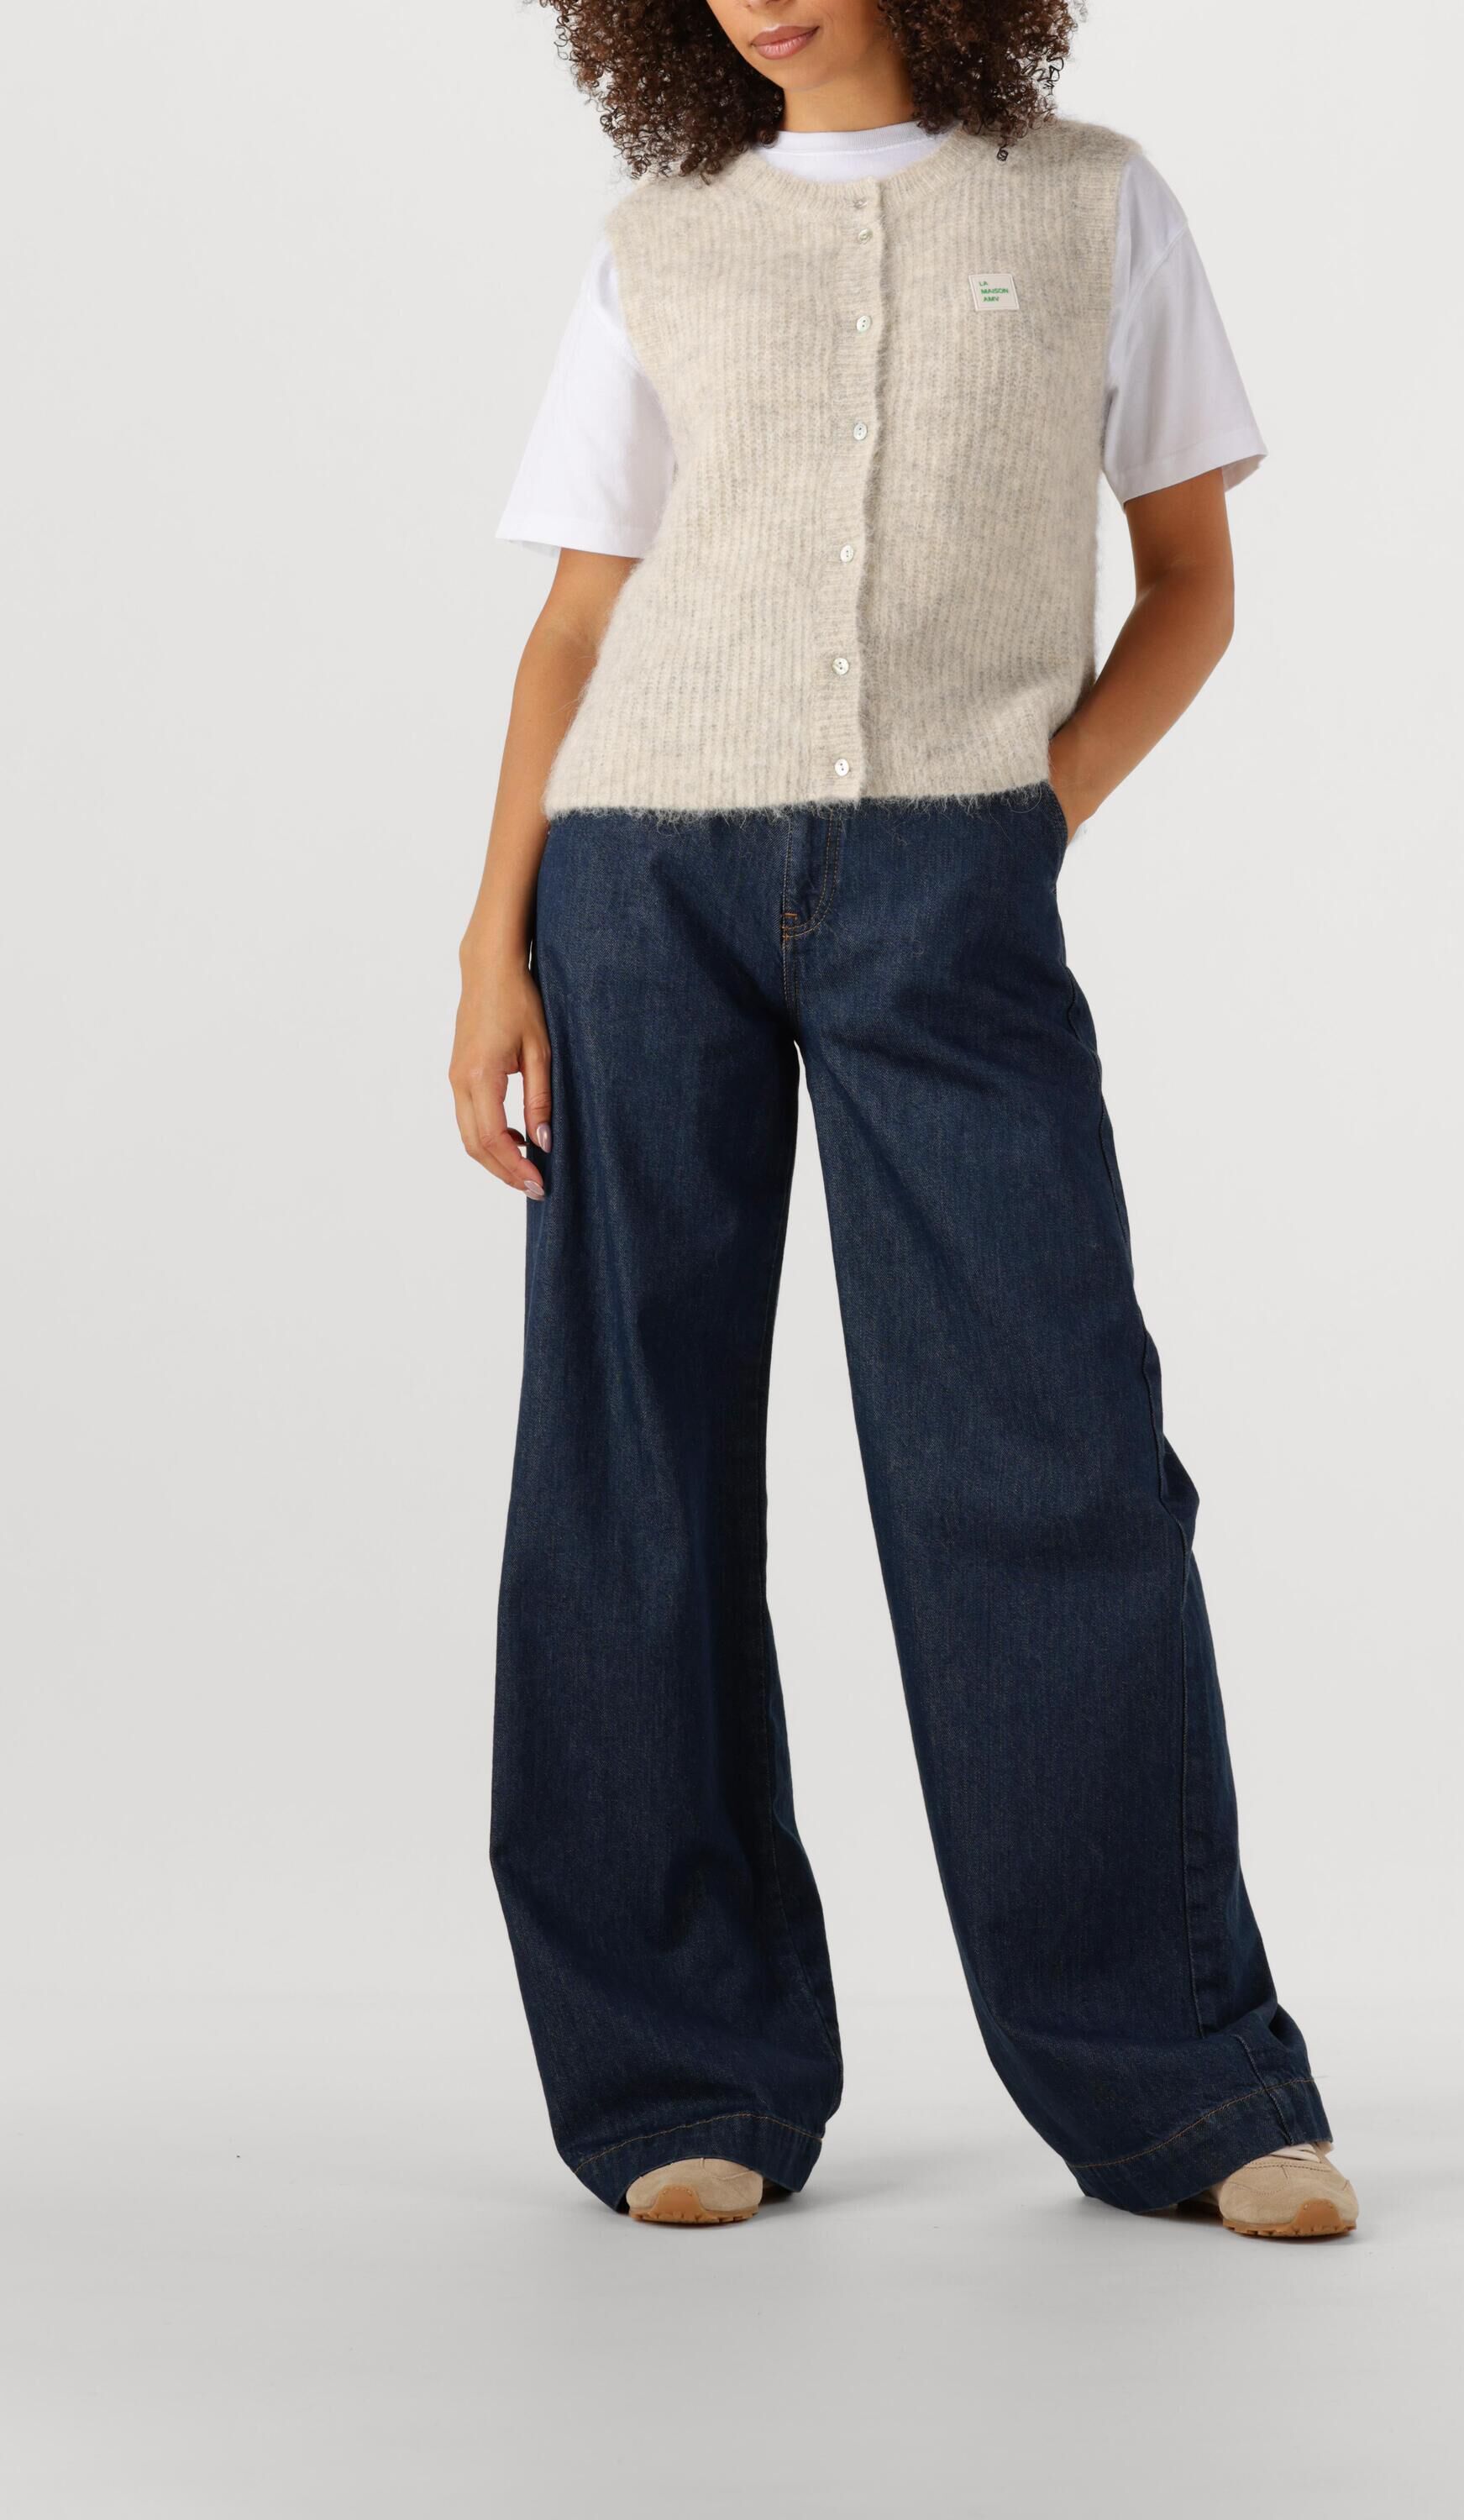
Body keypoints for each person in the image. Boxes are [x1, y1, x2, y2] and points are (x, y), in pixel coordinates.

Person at [451, 0, 1357, 2242]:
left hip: (949, 880)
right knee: (632, 1460)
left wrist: (1026, 815)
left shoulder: (1091, 204)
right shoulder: (661, 237)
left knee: (1046, 1455)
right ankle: (677, 2071)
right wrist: (491, 947)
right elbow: (575, 625)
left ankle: (1182, 2091)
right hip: (634, 880)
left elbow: (1192, 584)